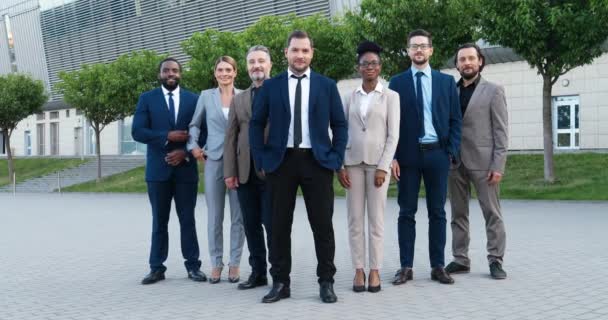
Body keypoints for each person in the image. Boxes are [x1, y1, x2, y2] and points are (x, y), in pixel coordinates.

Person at [249, 30, 348, 303]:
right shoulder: (271, 86)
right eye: (295, 50)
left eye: (305, 50)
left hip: (317, 162)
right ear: (286, 53)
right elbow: (256, 124)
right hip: (280, 163)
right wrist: (260, 158)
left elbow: (339, 124)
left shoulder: (327, 85)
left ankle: (326, 281)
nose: (300, 55)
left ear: (311, 53)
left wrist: (336, 156)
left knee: (322, 226)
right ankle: (280, 282)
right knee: (278, 226)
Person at [389, 29, 462, 285]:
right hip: (407, 157)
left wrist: (451, 151)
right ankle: (406, 266)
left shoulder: (445, 82)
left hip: (437, 155)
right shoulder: (396, 83)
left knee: (437, 213)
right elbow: (392, 124)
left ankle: (438, 266)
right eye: (414, 46)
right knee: (406, 212)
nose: (418, 50)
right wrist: (393, 157)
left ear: (431, 50)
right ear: (408, 51)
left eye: (423, 46)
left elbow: (455, 120)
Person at [132, 57, 207, 285]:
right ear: (160, 74)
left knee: (188, 220)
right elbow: (138, 131)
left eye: (175, 70)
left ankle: (193, 267)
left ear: (180, 74)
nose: (170, 74)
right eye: (166, 71)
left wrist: (185, 152)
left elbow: (203, 132)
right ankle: (156, 268)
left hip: (186, 170)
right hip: (158, 171)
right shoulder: (147, 99)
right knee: (159, 221)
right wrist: (167, 136)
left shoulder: (194, 99)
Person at [337, 41, 400, 293]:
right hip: (352, 164)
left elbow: (393, 135)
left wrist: (384, 167)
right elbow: (340, 132)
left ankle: (375, 270)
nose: (369, 67)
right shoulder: (348, 97)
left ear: (380, 67)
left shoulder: (391, 97)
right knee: (354, 221)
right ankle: (359, 270)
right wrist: (339, 165)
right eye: (365, 64)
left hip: (377, 167)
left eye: (374, 63)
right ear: (358, 68)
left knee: (376, 221)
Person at [446, 43, 508, 280]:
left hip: (484, 164)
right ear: (457, 65)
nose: (467, 63)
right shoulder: (449, 91)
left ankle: (495, 260)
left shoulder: (494, 91)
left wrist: (498, 165)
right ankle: (460, 259)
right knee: (457, 214)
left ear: (480, 61)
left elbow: (501, 131)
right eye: (462, 60)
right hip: (454, 163)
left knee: (492, 213)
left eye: (471, 58)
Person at [188, 56, 244, 284]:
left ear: (235, 72)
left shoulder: (244, 96)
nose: (224, 73)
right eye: (220, 70)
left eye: (228, 69)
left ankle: (235, 264)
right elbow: (194, 125)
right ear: (215, 73)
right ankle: (216, 263)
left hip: (239, 161)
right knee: (215, 216)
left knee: (238, 216)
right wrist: (193, 146)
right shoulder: (205, 96)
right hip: (213, 160)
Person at [223, 45, 273, 290]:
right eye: (252, 62)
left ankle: (280, 273)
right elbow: (230, 136)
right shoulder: (239, 98)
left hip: (273, 171)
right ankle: (258, 272)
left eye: (261, 61)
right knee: (251, 224)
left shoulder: (280, 91)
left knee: (273, 224)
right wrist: (229, 172)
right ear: (247, 67)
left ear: (270, 64)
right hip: (244, 172)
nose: (257, 66)